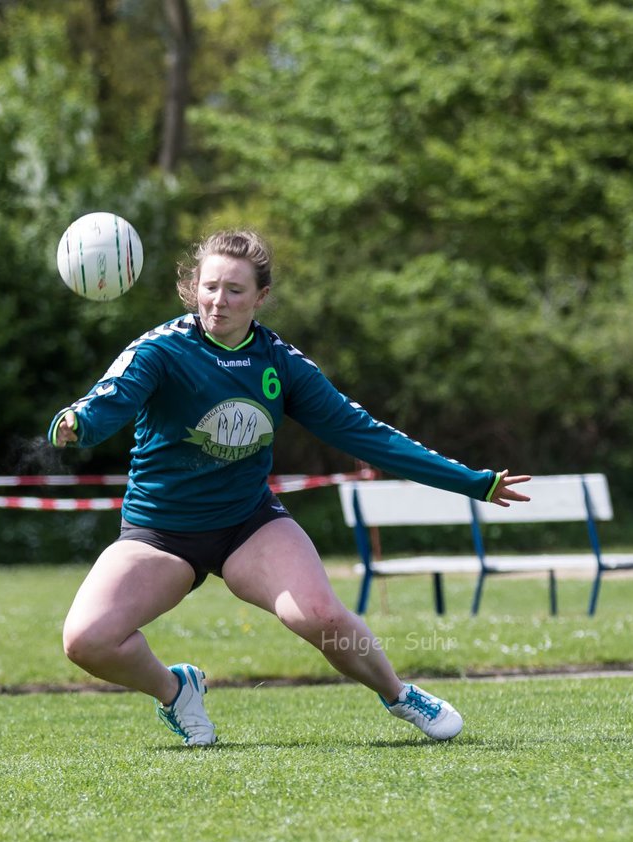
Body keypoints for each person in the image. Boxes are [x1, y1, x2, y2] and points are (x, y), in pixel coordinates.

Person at [48, 229, 531, 746]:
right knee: (87, 641)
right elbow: (112, 397)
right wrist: (81, 421)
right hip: (160, 533)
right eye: (210, 287)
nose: (219, 301)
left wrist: (473, 483)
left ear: (262, 297)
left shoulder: (279, 362)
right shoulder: (161, 351)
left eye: (235, 290)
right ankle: (175, 692)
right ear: (193, 289)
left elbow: (365, 434)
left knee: (318, 615)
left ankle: (399, 694)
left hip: (247, 524)